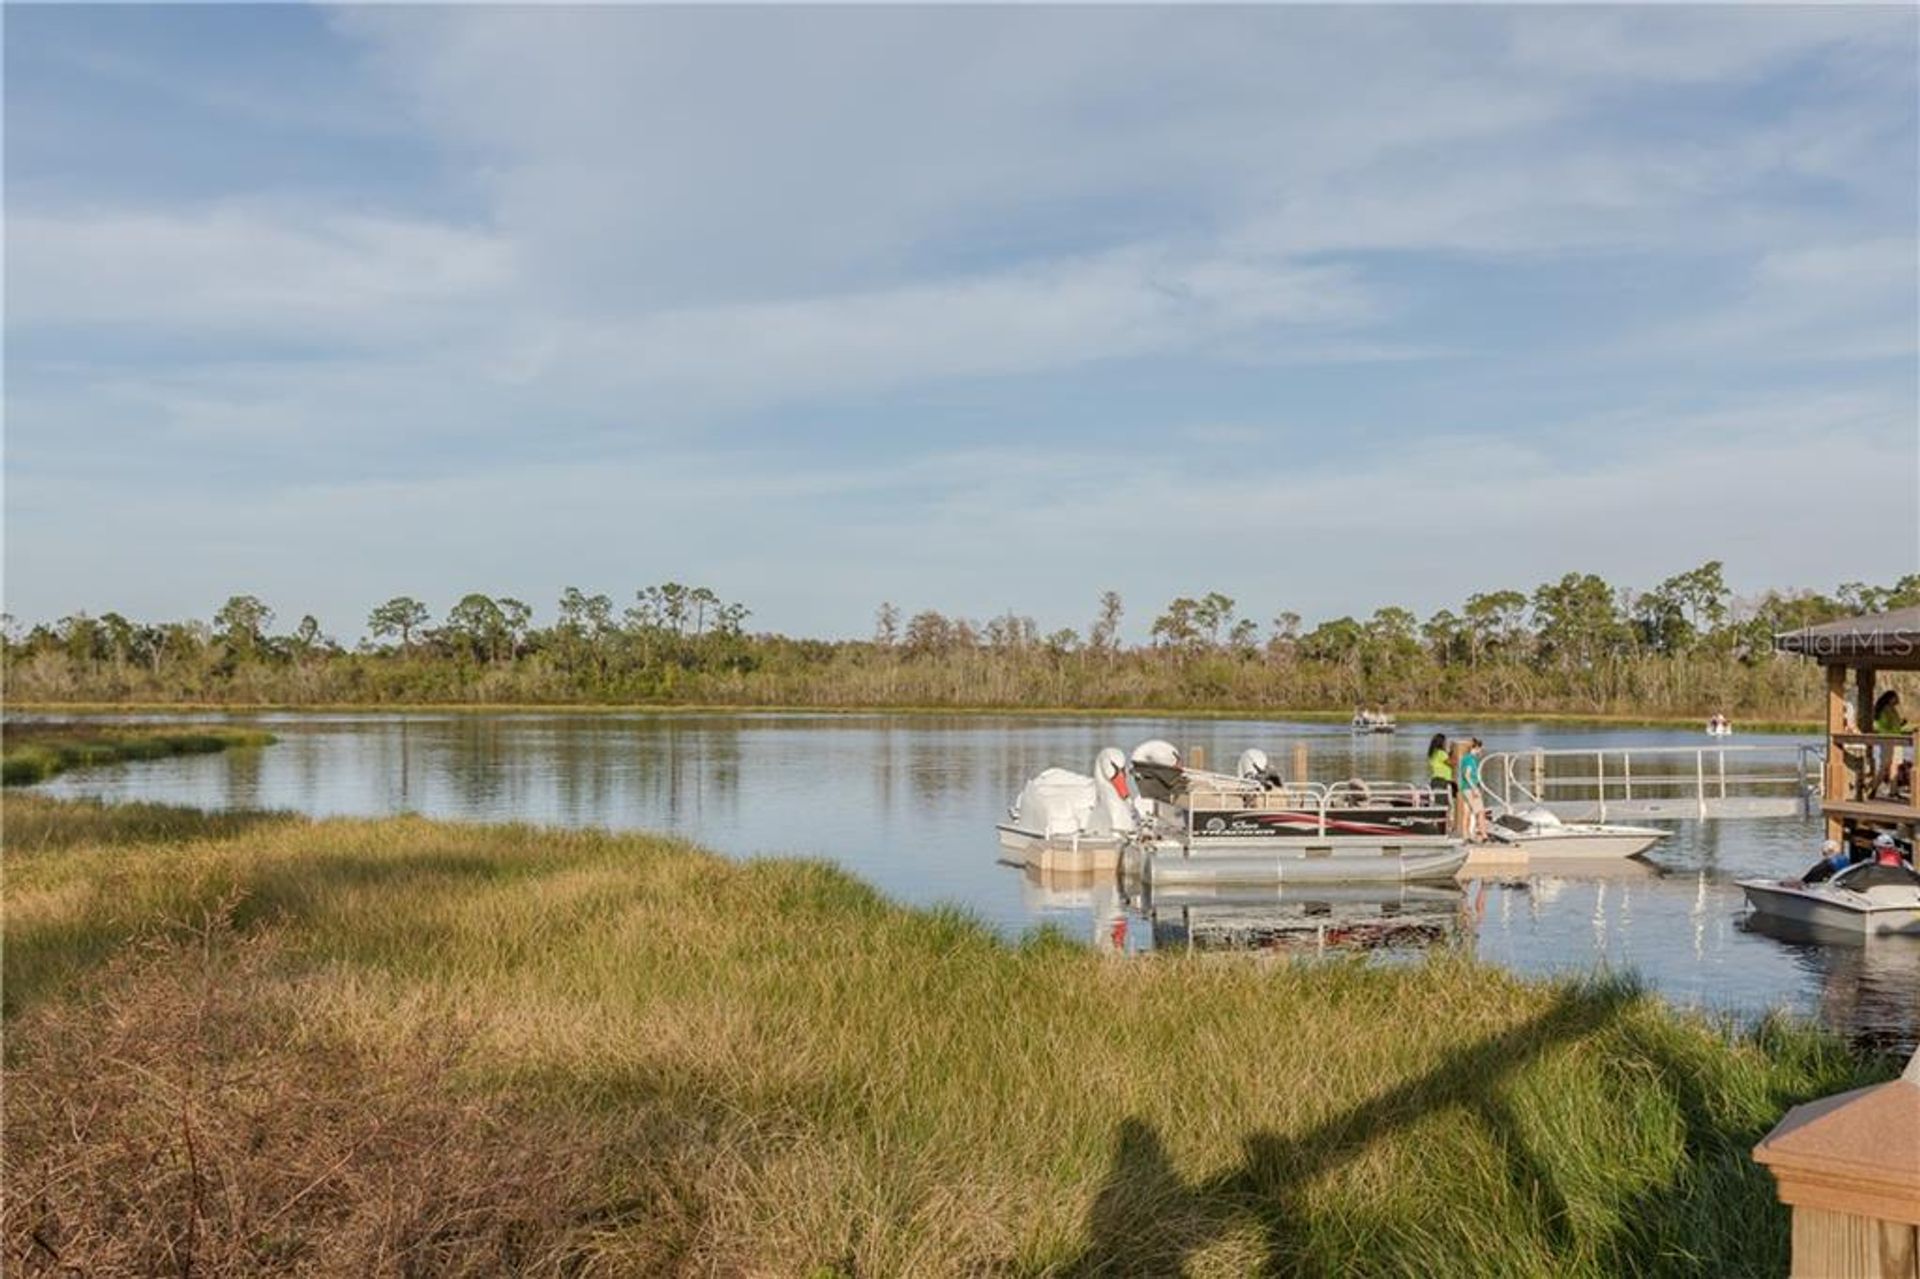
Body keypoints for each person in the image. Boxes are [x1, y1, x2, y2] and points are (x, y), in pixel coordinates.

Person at [1458, 738, 1487, 842]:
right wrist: (1474, 788)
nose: (1481, 752)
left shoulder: (1464, 758)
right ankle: (1484, 836)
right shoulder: (1471, 759)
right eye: (1480, 749)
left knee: (1467, 813)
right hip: (1470, 788)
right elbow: (1467, 775)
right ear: (1476, 748)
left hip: (1464, 788)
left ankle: (1466, 836)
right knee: (1481, 812)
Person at [1426, 732, 1454, 808]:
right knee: (1444, 803)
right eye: (1445, 742)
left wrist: (1450, 752)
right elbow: (1452, 763)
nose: (1446, 743)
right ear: (1441, 742)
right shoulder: (1441, 753)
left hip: (1435, 780)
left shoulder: (1433, 753)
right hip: (1442, 781)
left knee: (1438, 802)